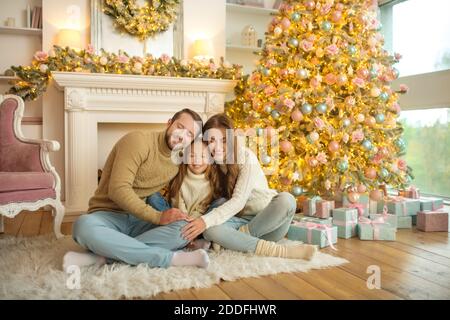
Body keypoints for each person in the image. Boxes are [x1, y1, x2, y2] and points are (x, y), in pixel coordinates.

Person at [63, 108, 211, 271]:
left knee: (184, 228)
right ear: (169, 123)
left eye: (190, 134)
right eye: (180, 126)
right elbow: (118, 189)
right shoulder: (138, 141)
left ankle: (101, 256)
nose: (182, 135)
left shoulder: (178, 162)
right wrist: (158, 216)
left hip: (138, 221)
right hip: (107, 216)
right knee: (82, 226)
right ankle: (171, 258)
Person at [181, 114, 317, 260]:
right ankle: (277, 250)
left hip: (268, 221)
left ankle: (240, 240)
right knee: (210, 230)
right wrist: (198, 222)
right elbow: (205, 201)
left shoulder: (246, 156)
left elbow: (239, 201)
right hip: (240, 221)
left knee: (287, 199)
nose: (217, 146)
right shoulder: (208, 164)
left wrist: (205, 222)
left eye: (224, 140)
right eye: (212, 140)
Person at [147, 139, 227, 250]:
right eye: (192, 156)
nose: (197, 161)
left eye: (203, 157)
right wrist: (183, 221)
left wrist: (190, 225)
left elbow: (202, 209)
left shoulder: (211, 181)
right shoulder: (179, 174)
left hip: (198, 222)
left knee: (221, 202)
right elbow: (177, 202)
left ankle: (187, 236)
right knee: (153, 196)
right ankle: (184, 238)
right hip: (176, 217)